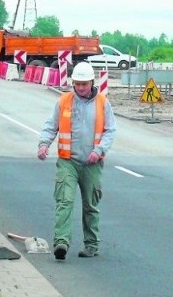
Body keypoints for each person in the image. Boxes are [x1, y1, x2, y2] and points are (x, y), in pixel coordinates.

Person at [37, 61, 117, 261]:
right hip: (68, 162)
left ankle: (91, 244)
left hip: (92, 164)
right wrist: (43, 144)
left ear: (92, 82)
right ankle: (61, 242)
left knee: (91, 205)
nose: (81, 88)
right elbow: (51, 125)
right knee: (64, 201)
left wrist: (99, 151)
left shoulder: (103, 103)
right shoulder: (64, 101)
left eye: (84, 84)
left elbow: (110, 131)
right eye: (77, 84)